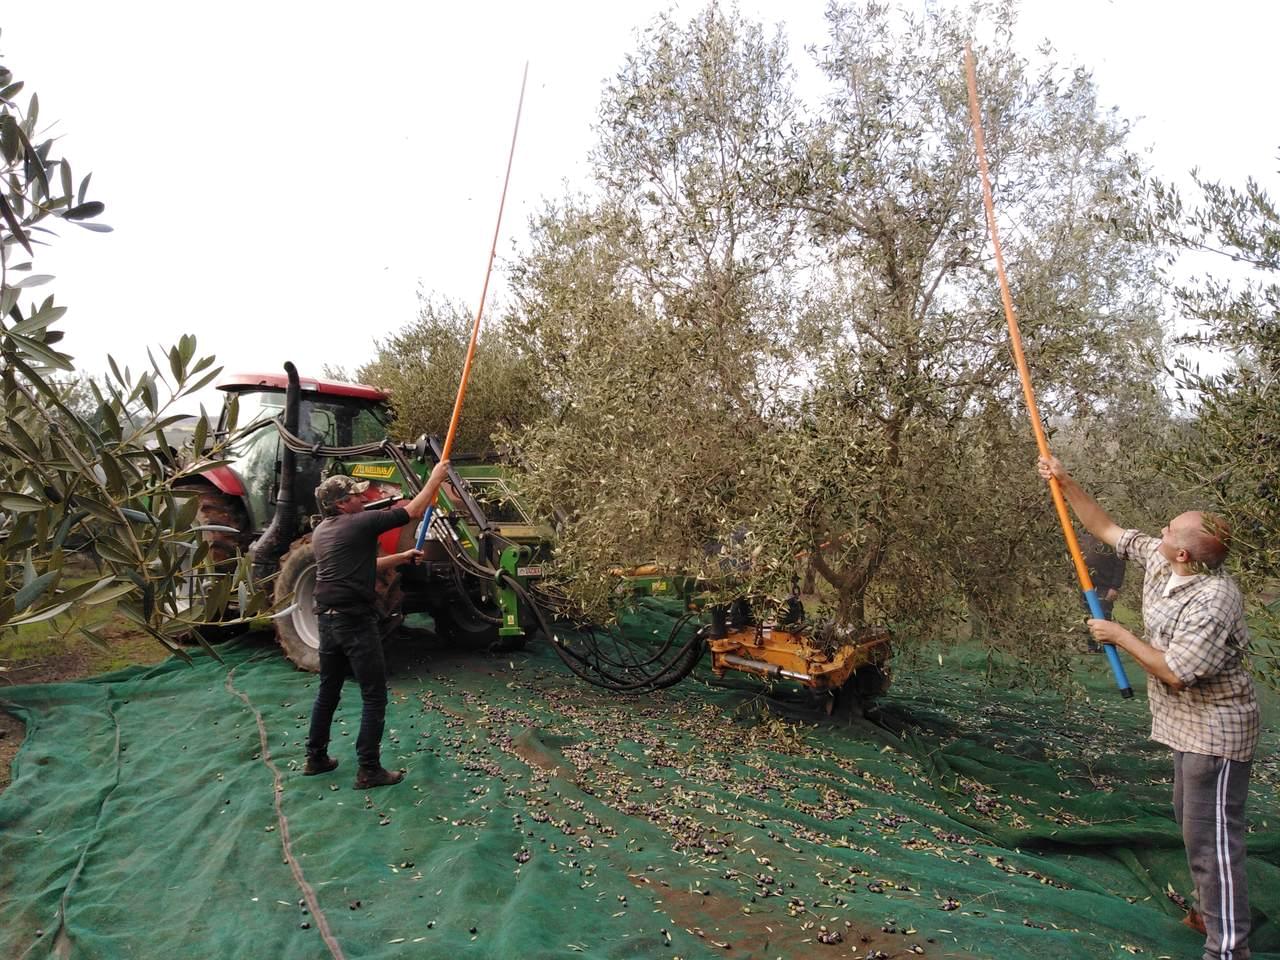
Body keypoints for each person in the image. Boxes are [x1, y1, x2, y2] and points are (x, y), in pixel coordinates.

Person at [1038, 455, 1259, 960]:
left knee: (1213, 840)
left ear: (1184, 553)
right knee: (1190, 820)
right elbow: (1106, 527)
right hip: (1186, 726)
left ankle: (1228, 948)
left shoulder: (1214, 599)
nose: (1161, 529)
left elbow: (1176, 672)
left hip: (1217, 731)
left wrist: (1120, 635)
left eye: (1171, 528)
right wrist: (1064, 480)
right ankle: (1209, 911)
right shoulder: (1163, 560)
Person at [304, 459, 450, 790]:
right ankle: (368, 770)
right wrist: (436, 478)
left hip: (327, 621)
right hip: (354, 621)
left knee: (329, 689)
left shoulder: (323, 531)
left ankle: (315, 758)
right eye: (355, 495)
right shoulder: (358, 524)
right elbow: (412, 511)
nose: (363, 497)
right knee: (374, 695)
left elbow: (364, 563)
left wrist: (401, 558)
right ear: (341, 504)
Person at [1079, 531, 1125, 651]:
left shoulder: (1109, 538)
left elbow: (1120, 563)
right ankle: (1092, 649)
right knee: (1087, 618)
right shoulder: (1081, 537)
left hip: (1104, 587)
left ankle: (1106, 650)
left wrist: (1115, 587)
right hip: (1084, 586)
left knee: (1102, 619)